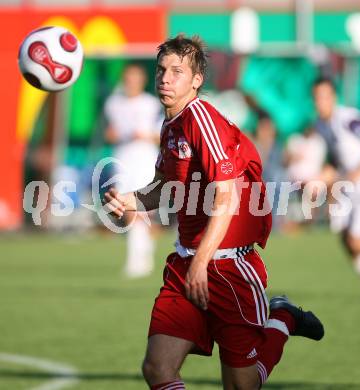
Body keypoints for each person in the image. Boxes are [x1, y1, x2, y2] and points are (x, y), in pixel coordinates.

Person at [105, 35, 324, 390]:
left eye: (177, 71)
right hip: (186, 264)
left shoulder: (200, 119)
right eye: (161, 70)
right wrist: (127, 200)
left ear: (196, 80)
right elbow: (163, 187)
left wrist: (200, 262)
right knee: (157, 369)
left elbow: (228, 195)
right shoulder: (170, 125)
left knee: (242, 385)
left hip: (228, 268)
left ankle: (283, 318)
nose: (165, 78)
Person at [313, 77, 360, 302]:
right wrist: (320, 181)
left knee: (358, 239)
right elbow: (335, 162)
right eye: (317, 97)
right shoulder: (321, 125)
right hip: (350, 187)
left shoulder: (348, 119)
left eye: (325, 97)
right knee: (345, 237)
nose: (321, 102)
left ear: (334, 98)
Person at [104, 63, 161, 278]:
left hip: (145, 159)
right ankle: (140, 254)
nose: (131, 82)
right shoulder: (113, 104)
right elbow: (109, 132)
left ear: (142, 81)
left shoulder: (152, 104)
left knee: (142, 209)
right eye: (128, 78)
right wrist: (120, 135)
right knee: (127, 209)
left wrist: (144, 135)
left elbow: (160, 135)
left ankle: (138, 258)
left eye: (135, 78)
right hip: (123, 160)